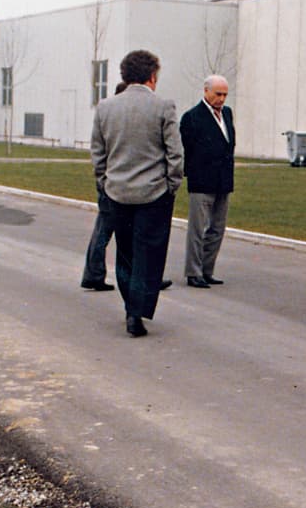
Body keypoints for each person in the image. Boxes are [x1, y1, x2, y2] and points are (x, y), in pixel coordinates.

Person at [90, 50, 184, 336]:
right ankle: (137, 310)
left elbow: (98, 152)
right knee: (150, 254)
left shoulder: (105, 108)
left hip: (117, 191)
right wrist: (172, 185)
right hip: (153, 194)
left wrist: (104, 182)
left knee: (126, 254)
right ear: (152, 76)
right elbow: (175, 153)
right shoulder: (163, 107)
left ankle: (130, 307)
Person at [81, 82, 172, 293]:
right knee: (113, 232)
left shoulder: (110, 116)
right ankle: (98, 274)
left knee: (107, 231)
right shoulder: (118, 118)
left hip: (111, 182)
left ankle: (96, 273)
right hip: (117, 186)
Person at [179, 74, 235, 289]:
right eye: (217, 94)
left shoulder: (227, 114)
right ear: (206, 91)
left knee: (217, 228)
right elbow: (188, 150)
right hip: (202, 181)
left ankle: (207, 269)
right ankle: (193, 272)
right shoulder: (192, 117)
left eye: (225, 95)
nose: (221, 99)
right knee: (197, 229)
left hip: (223, 181)